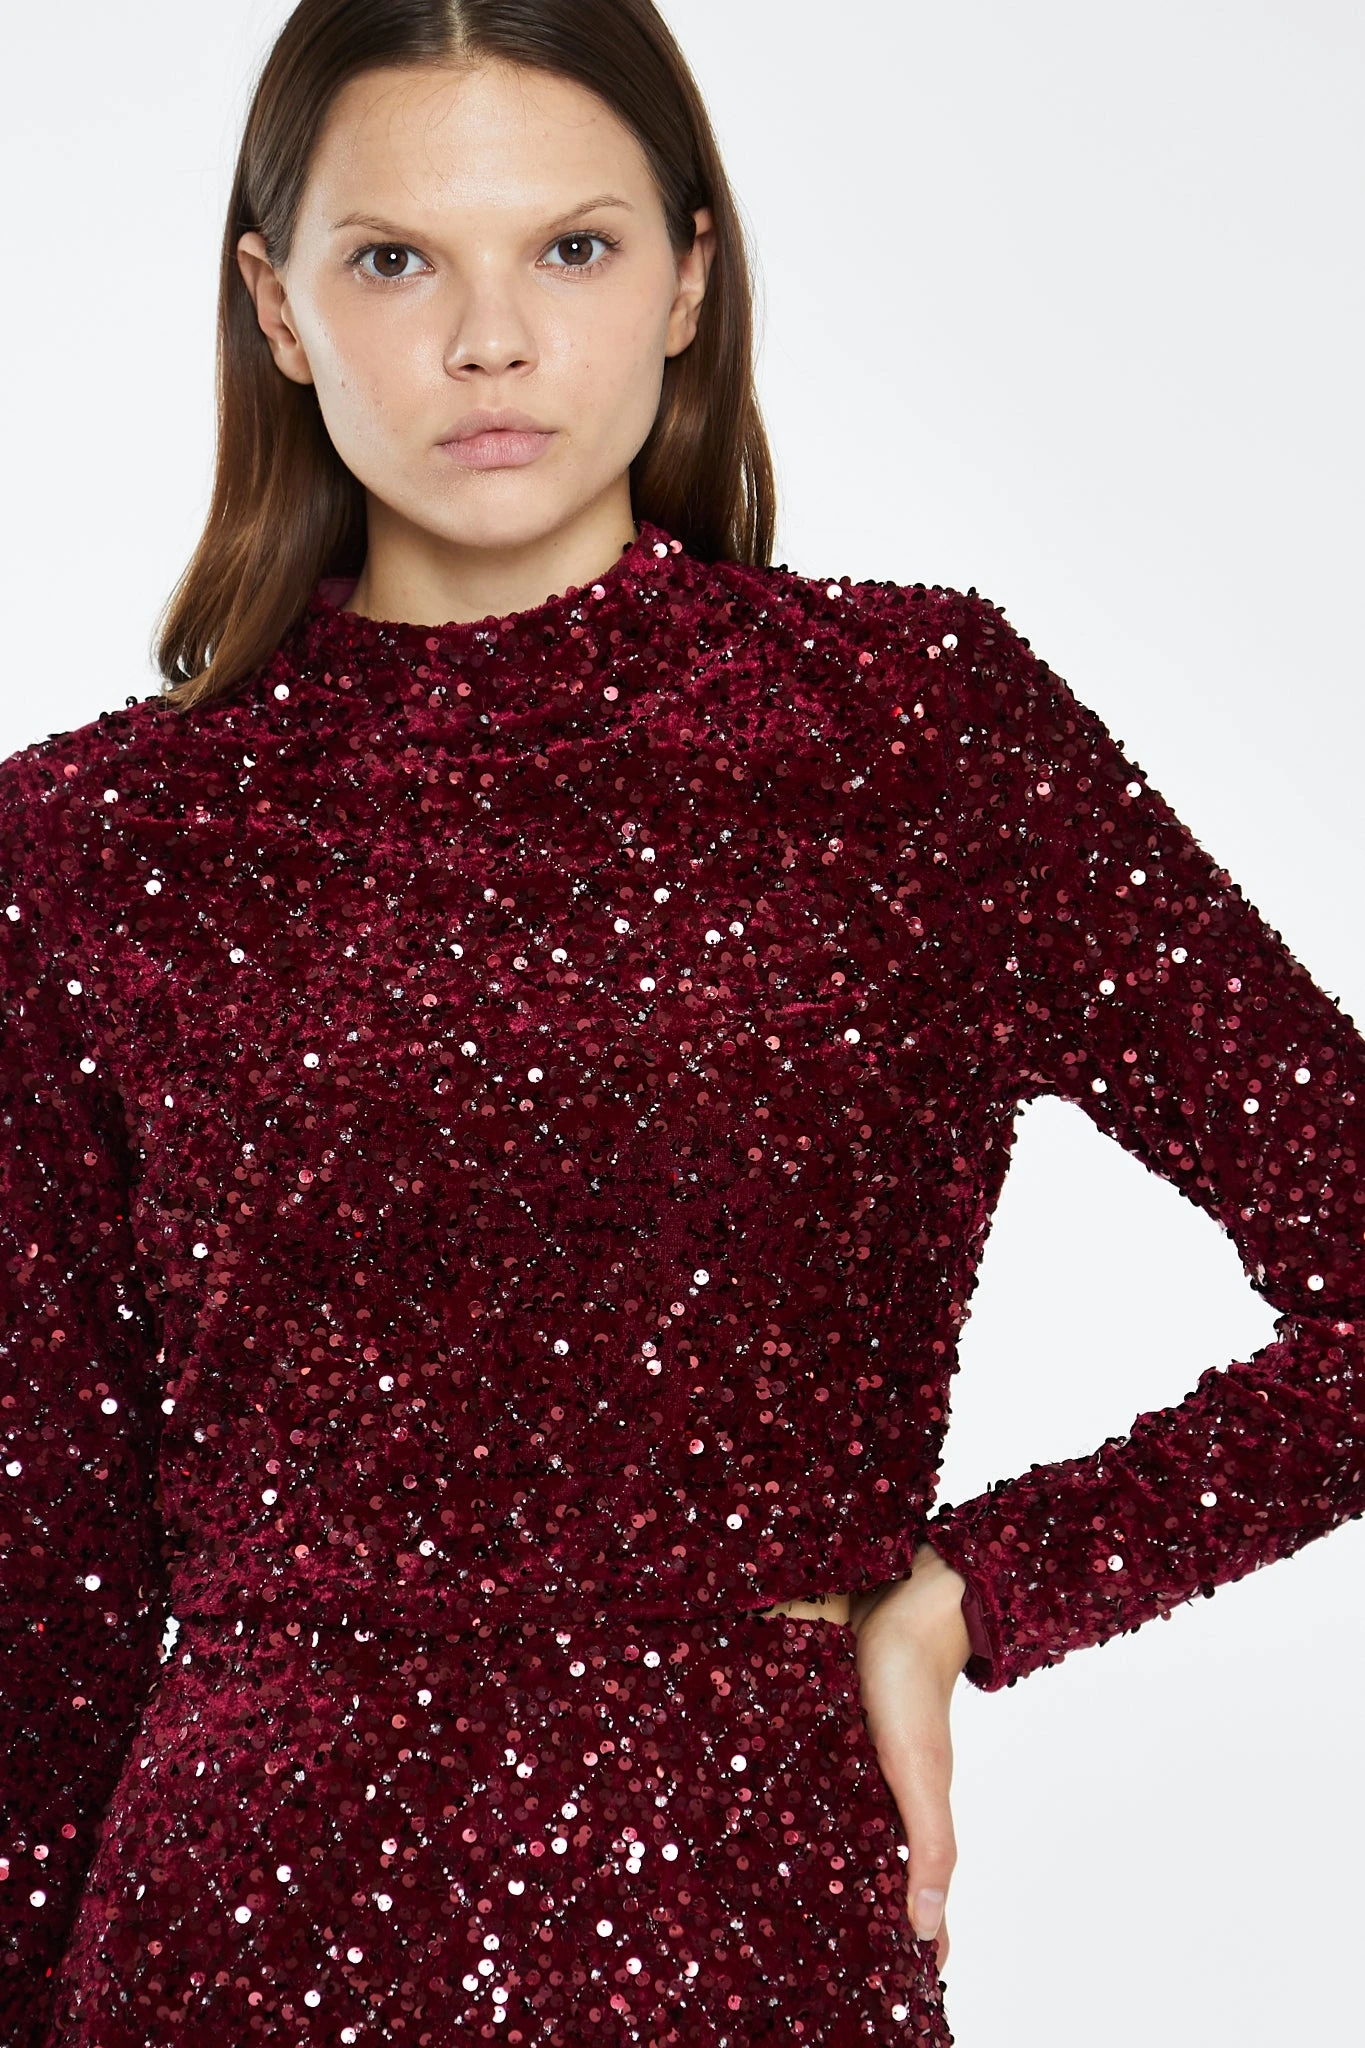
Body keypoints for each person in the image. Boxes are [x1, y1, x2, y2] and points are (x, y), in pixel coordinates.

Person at [1, 0, 1360, 2041]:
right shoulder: (92, 846)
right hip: (225, 1954)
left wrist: (979, 1592)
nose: (490, 341)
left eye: (571, 247)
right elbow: (49, 1579)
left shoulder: (915, 740)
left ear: (688, 281)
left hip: (749, 1927)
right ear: (278, 308)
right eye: (397, 260)